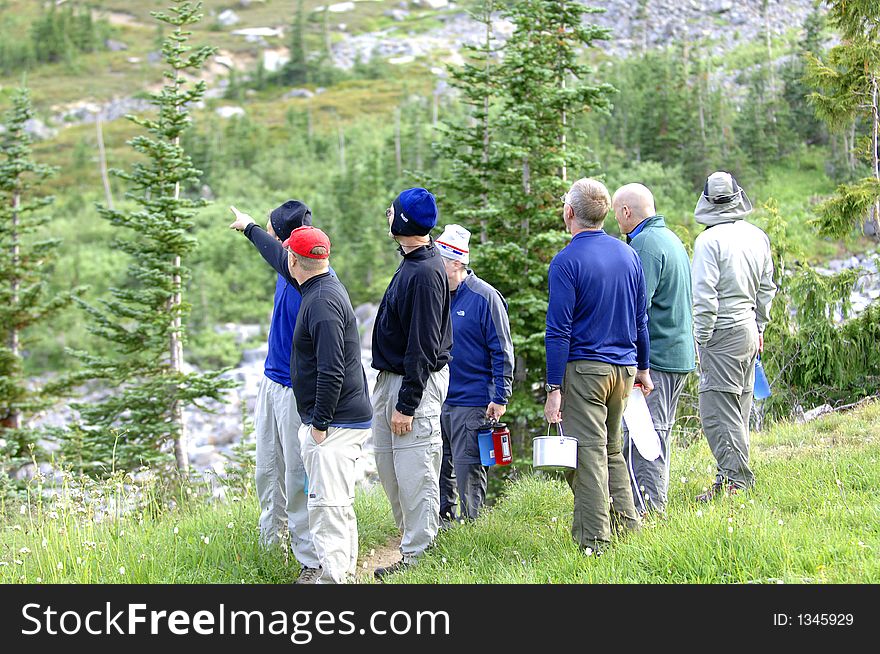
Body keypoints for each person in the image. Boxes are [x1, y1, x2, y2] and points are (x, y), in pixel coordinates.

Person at [544, 178, 652, 556]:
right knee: (612, 450)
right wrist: (643, 368)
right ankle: (627, 528)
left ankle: (594, 543)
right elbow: (641, 319)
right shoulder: (628, 255)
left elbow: (558, 330)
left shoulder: (566, 261)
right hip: (623, 370)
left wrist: (553, 387)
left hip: (586, 371)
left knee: (586, 455)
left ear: (570, 213)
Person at [228, 201, 319, 584]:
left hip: (295, 391)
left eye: (271, 229)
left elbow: (269, 248)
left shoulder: (305, 272)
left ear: (287, 240)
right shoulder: (290, 262)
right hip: (271, 382)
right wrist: (250, 226)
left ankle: (310, 561)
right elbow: (269, 247)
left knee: (297, 477)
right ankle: (271, 550)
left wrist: (249, 228)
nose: (269, 236)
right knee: (267, 470)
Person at [282, 226, 373, 584]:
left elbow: (331, 368)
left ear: (294, 260)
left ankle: (334, 581)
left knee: (327, 508)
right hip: (342, 419)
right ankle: (343, 575)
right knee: (336, 504)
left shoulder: (320, 302)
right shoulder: (323, 288)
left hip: (335, 423)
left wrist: (319, 424)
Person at [371, 187, 452, 579]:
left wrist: (407, 404)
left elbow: (422, 345)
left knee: (415, 469)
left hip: (413, 384)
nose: (388, 214)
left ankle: (419, 558)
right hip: (396, 379)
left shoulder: (423, 273)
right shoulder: (415, 260)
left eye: (393, 211)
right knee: (391, 469)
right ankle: (411, 545)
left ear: (402, 223)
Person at [691, 171, 776, 501]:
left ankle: (737, 483)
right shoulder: (757, 236)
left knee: (715, 412)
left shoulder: (707, 242)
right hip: (748, 329)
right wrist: (760, 326)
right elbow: (767, 289)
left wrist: (702, 339)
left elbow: (704, 296)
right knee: (737, 409)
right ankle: (728, 478)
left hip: (721, 333)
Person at [612, 183, 695, 515]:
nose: (615, 219)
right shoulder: (670, 238)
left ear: (627, 212)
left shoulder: (644, 244)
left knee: (645, 437)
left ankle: (650, 510)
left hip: (657, 358)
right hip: (678, 353)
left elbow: (636, 309)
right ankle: (652, 504)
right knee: (658, 431)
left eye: (617, 213)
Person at [435, 224, 514, 523]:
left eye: (439, 261)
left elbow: (502, 350)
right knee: (439, 470)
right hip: (439, 399)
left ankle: (472, 532)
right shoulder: (439, 296)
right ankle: (442, 527)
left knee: (469, 473)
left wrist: (500, 395)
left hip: (473, 403)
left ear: (456, 262)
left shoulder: (485, 298)